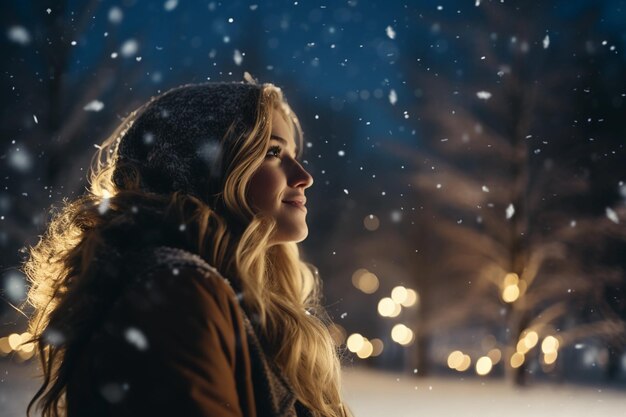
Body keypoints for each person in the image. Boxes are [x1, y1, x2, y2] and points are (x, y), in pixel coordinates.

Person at [21, 77, 352, 417]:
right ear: (208, 170)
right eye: (272, 152)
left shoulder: (224, 298)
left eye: (293, 155)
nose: (303, 176)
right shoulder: (175, 293)